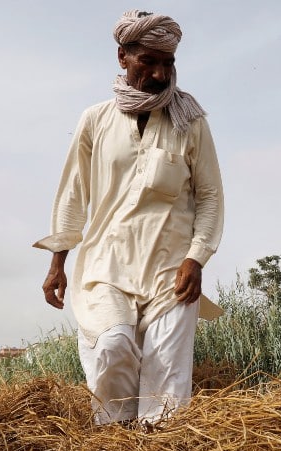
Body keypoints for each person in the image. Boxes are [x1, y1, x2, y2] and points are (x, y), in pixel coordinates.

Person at [35, 9, 224, 425]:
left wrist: (196, 258)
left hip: (170, 271)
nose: (159, 74)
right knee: (112, 346)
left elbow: (210, 196)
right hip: (107, 266)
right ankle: (113, 448)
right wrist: (57, 264)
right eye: (148, 62)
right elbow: (72, 194)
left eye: (168, 63)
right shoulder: (95, 120)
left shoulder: (189, 122)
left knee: (166, 380)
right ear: (123, 57)